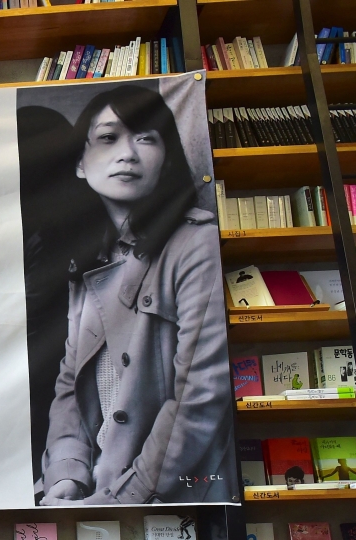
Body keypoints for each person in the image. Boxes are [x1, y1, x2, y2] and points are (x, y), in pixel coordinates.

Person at [39, 85, 234, 505]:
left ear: (166, 159)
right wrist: (65, 476)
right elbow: (69, 383)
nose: (128, 152)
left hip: (164, 494)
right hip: (94, 485)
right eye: (109, 137)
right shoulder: (87, 259)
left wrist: (127, 494)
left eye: (146, 137)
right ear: (79, 162)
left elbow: (201, 392)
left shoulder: (194, 243)